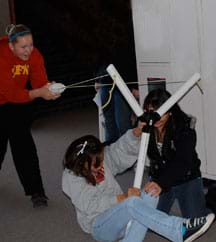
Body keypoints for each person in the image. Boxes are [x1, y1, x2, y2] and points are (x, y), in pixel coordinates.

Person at [62, 123, 214, 242]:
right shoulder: (71, 178)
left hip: (122, 219)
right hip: (99, 226)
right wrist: (121, 199)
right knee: (132, 203)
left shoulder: (98, 159)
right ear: (82, 164)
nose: (102, 165)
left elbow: (118, 152)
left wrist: (135, 134)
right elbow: (89, 206)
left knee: (152, 192)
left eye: (101, 159)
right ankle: (177, 230)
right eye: (97, 164)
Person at [0, 24, 61, 207]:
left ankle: (37, 191)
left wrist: (50, 88)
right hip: (2, 99)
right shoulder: (2, 58)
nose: (28, 50)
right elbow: (9, 93)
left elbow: (39, 82)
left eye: (31, 45)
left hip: (17, 102)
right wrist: (39, 93)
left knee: (24, 145)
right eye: (23, 47)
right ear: (12, 46)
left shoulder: (35, 55)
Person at [142, 89, 210, 218]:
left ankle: (207, 202)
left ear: (170, 111)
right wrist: (136, 133)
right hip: (160, 175)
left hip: (186, 178)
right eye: (151, 112)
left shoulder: (184, 128)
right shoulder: (146, 126)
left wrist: (160, 184)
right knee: (149, 221)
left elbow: (183, 162)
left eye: (160, 112)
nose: (155, 117)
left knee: (196, 223)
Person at [95, 65, 138, 144]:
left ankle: (129, 149)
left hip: (123, 81)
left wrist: (133, 86)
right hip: (105, 81)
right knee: (109, 122)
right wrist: (97, 78)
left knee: (122, 122)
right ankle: (111, 149)